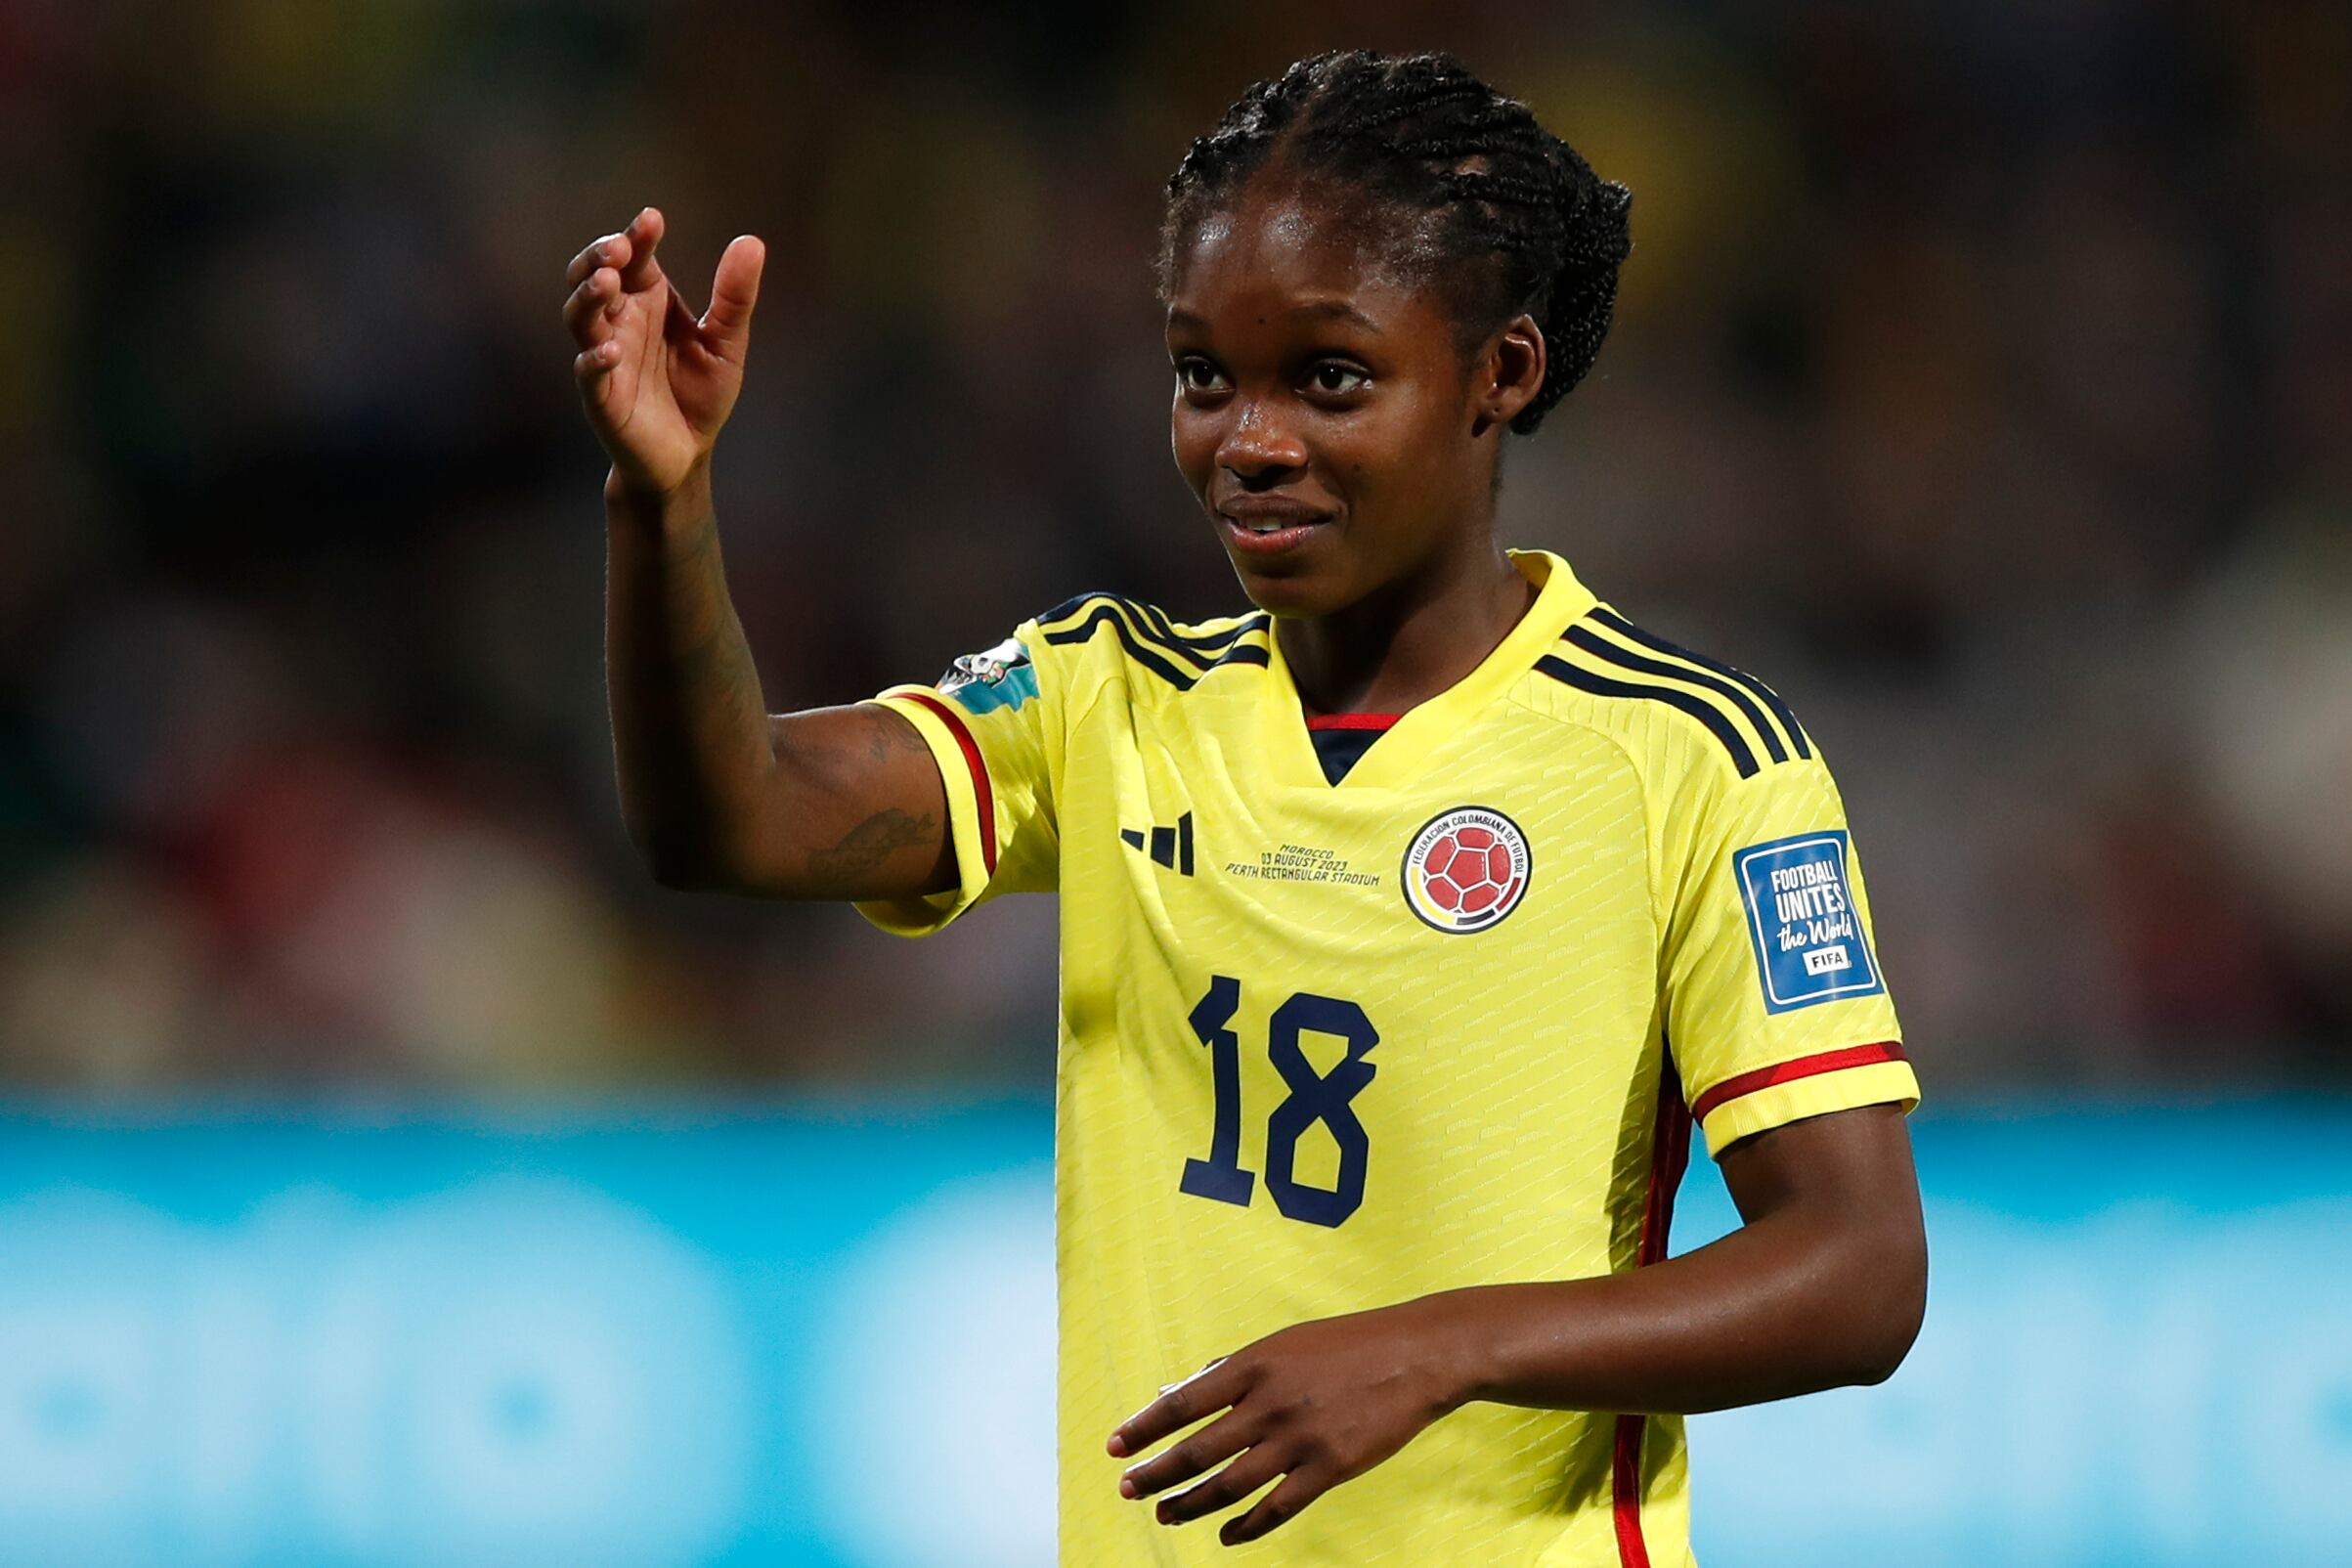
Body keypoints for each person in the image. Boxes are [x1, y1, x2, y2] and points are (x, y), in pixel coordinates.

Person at [565, 48, 1926, 1568]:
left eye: (1328, 378)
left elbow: (1857, 1272)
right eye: (1203, 374)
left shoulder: (1688, 760)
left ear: (1503, 374)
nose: (1248, 440)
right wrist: (661, 502)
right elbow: (724, 822)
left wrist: (1436, 1346)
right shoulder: (1101, 702)